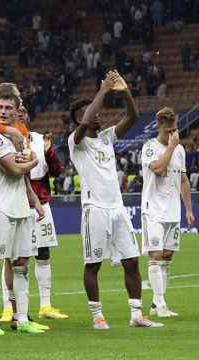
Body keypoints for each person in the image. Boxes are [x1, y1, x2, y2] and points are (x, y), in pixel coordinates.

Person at [68, 71, 163, 330]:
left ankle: (136, 315)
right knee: (93, 264)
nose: (96, 114)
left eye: (96, 109)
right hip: (94, 209)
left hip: (117, 208)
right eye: (89, 112)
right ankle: (97, 316)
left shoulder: (107, 137)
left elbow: (132, 117)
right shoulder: (75, 142)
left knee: (132, 261)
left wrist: (124, 92)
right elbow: (87, 120)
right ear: (78, 120)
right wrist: (103, 90)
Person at [0, 84, 46, 336]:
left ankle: (22, 318)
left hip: (21, 209)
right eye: (0, 108)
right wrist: (34, 161)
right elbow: (15, 170)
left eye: (8, 108)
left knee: (21, 265)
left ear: (19, 111)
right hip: (0, 209)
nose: (3, 112)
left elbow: (23, 179)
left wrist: (35, 201)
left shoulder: (22, 136)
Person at [140, 107, 195, 317]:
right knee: (155, 255)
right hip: (152, 209)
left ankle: (157, 303)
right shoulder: (149, 147)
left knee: (167, 256)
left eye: (175, 130)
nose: (173, 134)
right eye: (168, 131)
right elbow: (158, 169)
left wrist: (188, 209)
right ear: (159, 127)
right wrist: (171, 147)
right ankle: (161, 304)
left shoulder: (179, 150)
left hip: (173, 210)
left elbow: (183, 180)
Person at [28, 128, 69, 320]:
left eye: (22, 110)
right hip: (16, 203)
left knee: (43, 253)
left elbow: (56, 171)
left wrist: (48, 150)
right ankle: (9, 308)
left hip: (42, 202)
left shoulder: (38, 139)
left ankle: (45, 306)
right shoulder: (7, 138)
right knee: (14, 257)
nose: (20, 113)